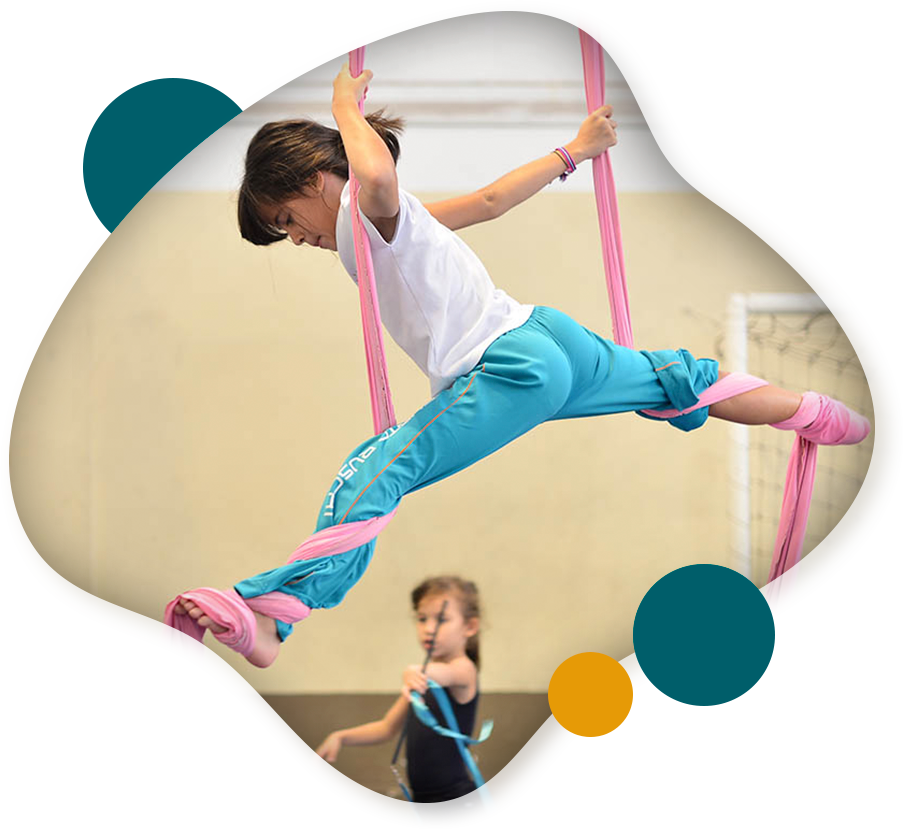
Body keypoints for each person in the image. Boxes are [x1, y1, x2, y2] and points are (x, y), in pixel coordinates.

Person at [174, 64, 869, 666]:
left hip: (509, 368)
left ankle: (276, 615)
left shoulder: (367, 205)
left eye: (286, 218)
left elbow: (375, 171)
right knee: (674, 379)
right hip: (550, 337)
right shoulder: (397, 219)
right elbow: (489, 202)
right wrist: (574, 151)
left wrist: (342, 107)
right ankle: (813, 413)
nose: (296, 239)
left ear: (314, 178)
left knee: (376, 470)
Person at [309, 576, 487, 828]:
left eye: (441, 619)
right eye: (422, 618)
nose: (428, 628)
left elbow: (444, 674)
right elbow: (386, 728)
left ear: (470, 626)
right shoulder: (423, 683)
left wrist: (416, 672)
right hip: (424, 803)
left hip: (456, 805)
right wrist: (341, 736)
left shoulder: (463, 670)